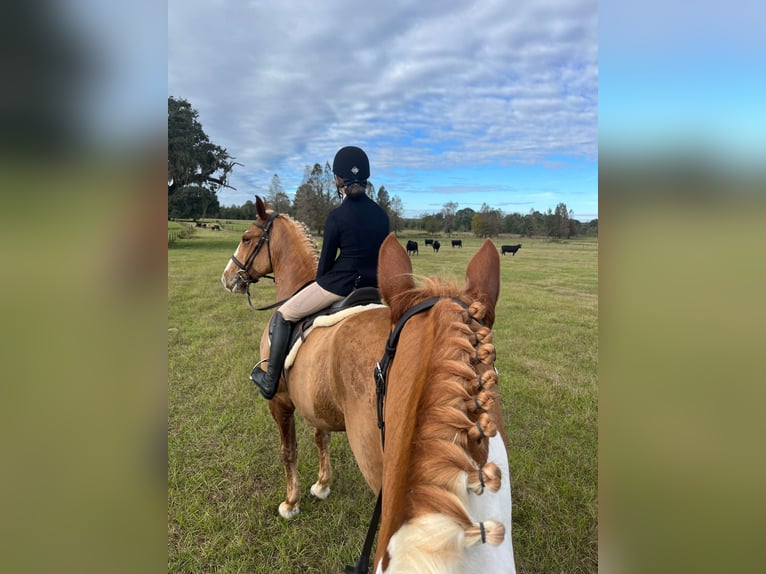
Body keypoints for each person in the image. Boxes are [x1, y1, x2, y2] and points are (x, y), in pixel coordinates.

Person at [251, 145, 391, 399]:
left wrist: (324, 279)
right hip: (374, 288)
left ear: (338, 180)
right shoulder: (382, 216)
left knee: (284, 313)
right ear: (366, 178)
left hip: (340, 286)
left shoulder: (337, 216)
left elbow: (324, 265)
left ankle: (270, 380)